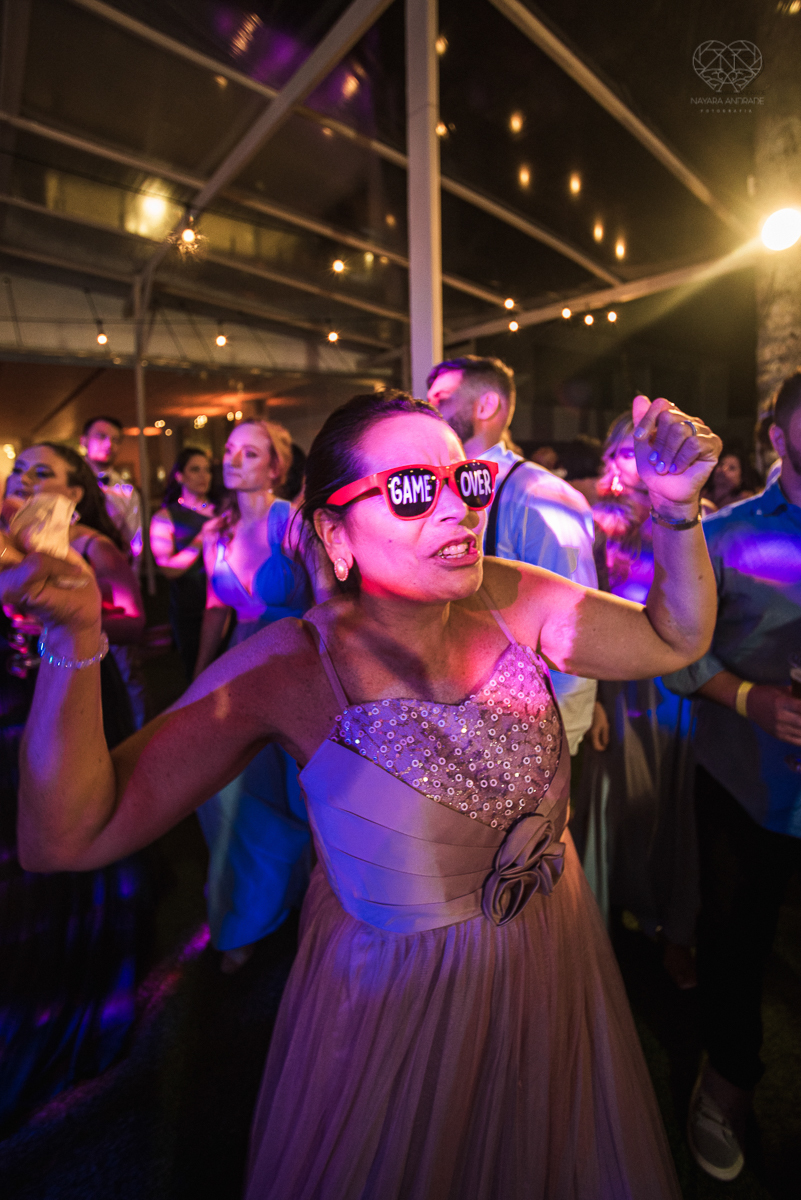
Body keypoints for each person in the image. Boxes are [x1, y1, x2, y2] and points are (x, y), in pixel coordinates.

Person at [5, 389, 720, 1199]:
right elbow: (66, 835)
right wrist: (77, 635)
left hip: (550, 949)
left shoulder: (507, 595)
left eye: (468, 482)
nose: (457, 508)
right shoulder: (289, 667)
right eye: (414, 488)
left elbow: (673, 636)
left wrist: (675, 510)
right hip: (399, 1006)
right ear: (334, 535)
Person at [664, 369, 801, 1182]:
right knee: (733, 943)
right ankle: (724, 1085)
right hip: (745, 781)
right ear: (777, 437)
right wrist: (746, 699)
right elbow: (675, 655)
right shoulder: (722, 533)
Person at [0, 447, 146, 1132]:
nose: (24, 483)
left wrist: (71, 616)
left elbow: (136, 621)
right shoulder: (4, 547)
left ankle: (80, 979)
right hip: (14, 710)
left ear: (74, 494)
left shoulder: (91, 545)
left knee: (78, 824)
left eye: (42, 474)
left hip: (81, 687)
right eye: (18, 472)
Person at [193, 419, 329, 971]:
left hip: (296, 669)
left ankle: (311, 910)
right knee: (224, 794)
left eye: (249, 453)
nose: (233, 459)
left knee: (308, 795)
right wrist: (198, 678)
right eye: (228, 450)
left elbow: (327, 594)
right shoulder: (216, 530)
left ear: (275, 466)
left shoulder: (288, 522)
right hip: (238, 670)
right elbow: (215, 608)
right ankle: (246, 915)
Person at [572, 413, 701, 991]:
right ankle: (595, 932)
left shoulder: (688, 524)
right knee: (611, 807)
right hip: (618, 686)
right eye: (625, 454)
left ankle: (671, 925)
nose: (635, 465)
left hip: (671, 689)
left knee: (670, 807)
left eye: (645, 455)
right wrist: (594, 697)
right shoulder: (597, 526)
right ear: (611, 462)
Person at [427, 355, 598, 756]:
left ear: (486, 406)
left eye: (442, 399)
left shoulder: (542, 496)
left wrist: (560, 741)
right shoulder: (439, 490)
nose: (429, 409)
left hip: (528, 736)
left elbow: (574, 626)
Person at [80, 415, 146, 726]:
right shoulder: (69, 486)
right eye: (101, 436)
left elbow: (135, 544)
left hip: (111, 587)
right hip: (75, 580)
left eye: (116, 439)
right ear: (83, 441)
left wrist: (123, 583)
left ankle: (135, 732)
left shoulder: (126, 491)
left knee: (125, 667)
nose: (109, 444)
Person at [150, 448, 216, 681]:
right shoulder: (165, 517)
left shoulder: (224, 510)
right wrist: (201, 539)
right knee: (197, 674)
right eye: (195, 469)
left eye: (207, 470)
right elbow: (168, 569)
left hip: (228, 605)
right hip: (190, 607)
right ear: (179, 476)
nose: (203, 476)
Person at [701, 445, 758, 511]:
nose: (723, 469)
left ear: (742, 477)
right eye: (721, 464)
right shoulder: (701, 495)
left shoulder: (744, 502)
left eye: (732, 468)